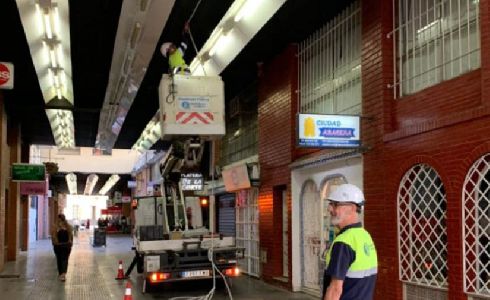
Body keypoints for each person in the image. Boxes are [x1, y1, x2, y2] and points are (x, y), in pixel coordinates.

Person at [322, 184, 377, 300]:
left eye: (335, 204)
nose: (330, 209)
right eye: (330, 204)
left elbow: (335, 289)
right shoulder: (365, 236)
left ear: (352, 208)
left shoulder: (344, 242)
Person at [51, 214, 73, 282]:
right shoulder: (55, 227)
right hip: (59, 246)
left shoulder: (68, 226)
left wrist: (70, 243)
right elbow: (53, 236)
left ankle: (63, 274)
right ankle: (61, 273)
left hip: (65, 246)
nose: (59, 220)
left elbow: (71, 236)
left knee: (64, 260)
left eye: (60, 219)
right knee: (60, 260)